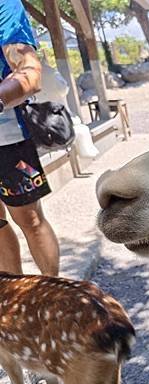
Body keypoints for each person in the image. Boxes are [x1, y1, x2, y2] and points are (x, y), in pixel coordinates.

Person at [0, 0, 59, 276]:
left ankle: (58, 297)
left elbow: (29, 72)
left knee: (29, 218)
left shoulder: (5, 5)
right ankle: (14, 302)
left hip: (7, 137)